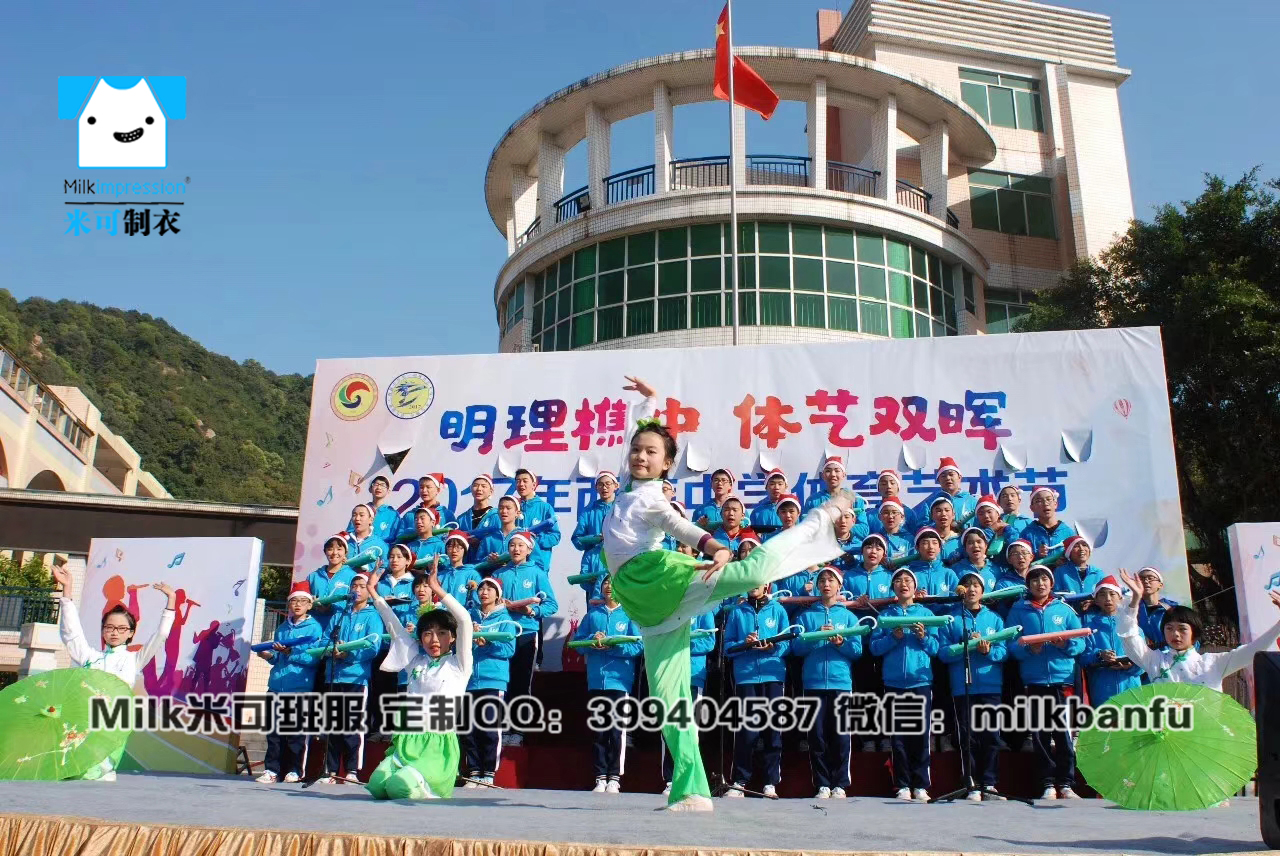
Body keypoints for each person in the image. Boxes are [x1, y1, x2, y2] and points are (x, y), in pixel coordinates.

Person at [602, 376, 849, 812]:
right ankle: (692, 790)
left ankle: (819, 519)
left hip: (659, 579)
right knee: (668, 697)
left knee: (753, 572)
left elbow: (681, 527)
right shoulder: (627, 488)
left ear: (667, 465)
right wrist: (650, 401)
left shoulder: (654, 499)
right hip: (644, 602)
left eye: (651, 453)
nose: (640, 456)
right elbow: (638, 429)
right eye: (636, 450)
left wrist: (715, 546)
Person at [52, 564, 176, 782]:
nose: (114, 633)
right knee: (75, 776)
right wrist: (67, 589)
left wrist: (171, 601)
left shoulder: (134, 659)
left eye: (121, 629)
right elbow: (71, 633)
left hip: (114, 723)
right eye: (109, 627)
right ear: (103, 631)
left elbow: (161, 635)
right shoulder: (90, 657)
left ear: (131, 633)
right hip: (84, 721)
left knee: (99, 774)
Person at [364, 561, 470, 800]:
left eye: (442, 633)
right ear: (420, 638)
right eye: (427, 633)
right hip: (408, 739)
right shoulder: (416, 661)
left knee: (399, 787)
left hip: (436, 746)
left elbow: (463, 620)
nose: (435, 639)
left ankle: (433, 787)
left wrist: (437, 589)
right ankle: (410, 778)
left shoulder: (459, 664)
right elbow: (394, 626)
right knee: (377, 785)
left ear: (453, 637)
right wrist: (373, 593)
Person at [1116, 568, 1280, 690]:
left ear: (1195, 632)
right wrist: (1135, 599)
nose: (1175, 634)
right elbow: (1129, 637)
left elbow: (1253, 651)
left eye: (1182, 629)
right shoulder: (1155, 661)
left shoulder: (1212, 663)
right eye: (1169, 628)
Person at [1008, 564, 1085, 800]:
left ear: (1051, 583)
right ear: (1028, 585)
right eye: (1034, 580)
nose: (1039, 584)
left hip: (1062, 680)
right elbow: (1010, 645)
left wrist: (1065, 645)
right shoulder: (1018, 610)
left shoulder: (1065, 610)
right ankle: (1047, 782)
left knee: (1063, 733)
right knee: (1041, 735)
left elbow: (1081, 642)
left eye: (1044, 580)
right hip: (1035, 681)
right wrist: (1029, 650)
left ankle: (1066, 782)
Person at [869, 567, 939, 801]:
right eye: (898, 580)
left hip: (920, 681)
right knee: (898, 737)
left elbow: (936, 648)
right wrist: (893, 637)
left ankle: (921, 785)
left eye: (908, 580)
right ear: (893, 588)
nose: (903, 584)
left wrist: (923, 637)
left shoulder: (927, 614)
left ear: (915, 587)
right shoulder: (886, 616)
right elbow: (874, 648)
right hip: (894, 682)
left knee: (920, 735)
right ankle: (902, 784)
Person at [792, 566, 861, 798]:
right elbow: (796, 648)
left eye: (831, 580)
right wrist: (816, 637)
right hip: (813, 683)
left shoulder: (849, 617)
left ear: (839, 586)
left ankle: (840, 783)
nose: (826, 584)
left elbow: (857, 651)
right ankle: (822, 783)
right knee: (817, 735)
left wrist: (841, 643)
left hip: (840, 683)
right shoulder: (806, 616)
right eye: (822, 581)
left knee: (841, 735)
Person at [938, 571, 1008, 801]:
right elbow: (943, 653)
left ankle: (990, 783)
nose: (971, 589)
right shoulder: (952, 619)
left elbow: (1004, 652)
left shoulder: (994, 618)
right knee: (968, 737)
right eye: (967, 585)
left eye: (976, 585)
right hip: (963, 686)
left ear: (982, 590)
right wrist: (964, 646)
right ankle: (971, 783)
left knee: (990, 736)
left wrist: (988, 652)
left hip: (990, 685)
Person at [574, 576, 643, 794]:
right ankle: (600, 776)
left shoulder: (630, 614)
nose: (608, 586)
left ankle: (614, 777)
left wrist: (614, 646)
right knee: (599, 730)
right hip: (596, 680)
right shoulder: (592, 615)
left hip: (619, 681)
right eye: (605, 583)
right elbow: (578, 644)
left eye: (613, 583)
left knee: (616, 730)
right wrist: (592, 641)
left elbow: (638, 647)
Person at [723, 582, 790, 799]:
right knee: (746, 731)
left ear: (767, 585)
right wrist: (745, 643)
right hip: (746, 676)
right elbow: (727, 646)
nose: (754, 585)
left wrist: (772, 647)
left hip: (773, 675)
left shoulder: (778, 610)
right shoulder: (737, 612)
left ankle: (770, 782)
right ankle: (740, 780)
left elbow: (788, 643)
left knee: (773, 730)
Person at [319, 571, 385, 785]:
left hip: (356, 679)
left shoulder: (373, 616)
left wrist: (349, 654)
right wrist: (332, 650)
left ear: (370, 591)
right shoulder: (339, 615)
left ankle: (351, 770)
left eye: (362, 587)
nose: (357, 590)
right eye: (354, 586)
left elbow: (373, 646)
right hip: (333, 678)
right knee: (332, 726)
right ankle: (329, 770)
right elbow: (324, 641)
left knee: (352, 726)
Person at [496, 530, 558, 747]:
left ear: (529, 549)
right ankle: (502, 727)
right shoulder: (499, 574)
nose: (516, 549)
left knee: (521, 683)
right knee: (503, 681)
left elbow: (551, 605)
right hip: (502, 635)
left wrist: (531, 611)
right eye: (512, 545)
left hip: (527, 634)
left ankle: (518, 730)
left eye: (520, 545)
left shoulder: (537, 573)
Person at [255, 583, 322, 784]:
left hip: (299, 687)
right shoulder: (282, 628)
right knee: (274, 733)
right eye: (293, 601)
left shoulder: (314, 628)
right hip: (277, 686)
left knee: (295, 734)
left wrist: (291, 652)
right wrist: (267, 655)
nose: (297, 605)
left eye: (302, 601)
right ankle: (271, 770)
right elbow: (277, 658)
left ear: (310, 605)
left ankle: (294, 770)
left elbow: (314, 659)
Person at [463, 577, 517, 787]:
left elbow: (509, 650)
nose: (484, 592)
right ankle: (473, 771)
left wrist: (488, 644)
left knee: (489, 728)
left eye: (489, 589)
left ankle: (488, 772)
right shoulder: (469, 616)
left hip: (493, 680)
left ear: (497, 595)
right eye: (481, 588)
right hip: (469, 680)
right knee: (469, 728)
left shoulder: (505, 619)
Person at [843, 533, 892, 751]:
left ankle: (886, 735)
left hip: (884, 639)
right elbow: (840, 602)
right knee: (862, 688)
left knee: (884, 686)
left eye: (878, 548)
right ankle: (867, 737)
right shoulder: (849, 576)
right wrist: (855, 603)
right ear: (862, 551)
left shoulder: (890, 577)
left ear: (884, 554)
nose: (873, 551)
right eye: (869, 547)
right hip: (858, 640)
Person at [661, 609, 717, 796]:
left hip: (693, 676)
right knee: (671, 727)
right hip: (671, 674)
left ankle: (690, 779)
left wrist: (683, 642)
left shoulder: (704, 609)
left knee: (691, 730)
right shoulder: (671, 607)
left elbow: (709, 641)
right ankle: (671, 779)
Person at [1080, 576, 1143, 705]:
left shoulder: (1132, 627)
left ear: (1120, 598)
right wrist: (1099, 655)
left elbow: (1144, 661)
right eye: (1102, 595)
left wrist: (1131, 667)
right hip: (1102, 692)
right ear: (1096, 600)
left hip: (1131, 690)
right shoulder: (1088, 629)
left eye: (1112, 594)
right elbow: (1082, 659)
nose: (1108, 599)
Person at [572, 471, 618, 604]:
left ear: (616, 486)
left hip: (618, 560)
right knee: (595, 608)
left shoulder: (622, 508)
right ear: (596, 487)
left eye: (608, 484)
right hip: (595, 563)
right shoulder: (589, 511)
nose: (604, 488)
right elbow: (577, 540)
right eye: (601, 484)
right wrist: (596, 538)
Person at [803, 456, 869, 538]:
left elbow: (864, 530)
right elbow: (805, 529)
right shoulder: (812, 500)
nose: (833, 474)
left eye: (837, 471)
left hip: (851, 545)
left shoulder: (855, 498)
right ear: (823, 475)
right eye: (828, 471)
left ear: (844, 475)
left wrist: (842, 528)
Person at [513, 468, 562, 572]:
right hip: (515, 565)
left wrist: (534, 539)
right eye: (518, 481)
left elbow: (555, 537)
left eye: (525, 481)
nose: (521, 484)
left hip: (537, 566)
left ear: (534, 485)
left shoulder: (545, 508)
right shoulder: (513, 508)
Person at [307, 536, 356, 638]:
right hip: (315, 626)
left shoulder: (352, 576)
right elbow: (304, 601)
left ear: (346, 552)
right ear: (325, 552)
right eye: (330, 549)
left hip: (339, 626)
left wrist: (331, 608)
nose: (334, 553)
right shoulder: (313, 576)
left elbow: (355, 603)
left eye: (339, 549)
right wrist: (313, 604)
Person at [912, 457, 976, 533]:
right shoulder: (930, 503)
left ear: (959, 477)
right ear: (938, 480)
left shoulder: (972, 501)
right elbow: (922, 528)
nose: (948, 478)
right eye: (943, 476)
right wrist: (943, 526)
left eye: (951, 474)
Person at [1021, 488, 1076, 560]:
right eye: (1039, 501)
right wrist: (1038, 555)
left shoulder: (1068, 533)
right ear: (1032, 508)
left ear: (1055, 504)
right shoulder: (1027, 534)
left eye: (1048, 499)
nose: (1045, 503)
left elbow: (1077, 560)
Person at [1054, 536, 1106, 610]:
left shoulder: (1098, 573)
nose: (1081, 549)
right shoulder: (1061, 572)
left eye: (1084, 545)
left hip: (1093, 615)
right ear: (1069, 552)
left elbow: (1104, 597)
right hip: (1069, 614)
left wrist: (1094, 602)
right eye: (1076, 546)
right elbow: (1056, 597)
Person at [397, 473, 457, 538]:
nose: (424, 490)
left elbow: (452, 539)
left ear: (438, 490)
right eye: (421, 487)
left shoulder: (447, 515)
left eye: (428, 487)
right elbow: (399, 538)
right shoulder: (410, 515)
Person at [1134, 566, 1181, 648]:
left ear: (1160, 585)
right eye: (1141, 578)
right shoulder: (1132, 611)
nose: (1146, 581)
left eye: (1150, 578)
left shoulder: (1172, 609)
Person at [461, 474, 501, 562]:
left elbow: (500, 540)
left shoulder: (497, 516)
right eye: (475, 485)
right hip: (466, 565)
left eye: (483, 486)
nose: (479, 489)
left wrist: (481, 543)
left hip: (488, 563)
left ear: (491, 491)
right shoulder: (462, 518)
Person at [438, 532, 482, 610]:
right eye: (450, 546)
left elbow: (477, 602)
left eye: (458, 547)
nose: (454, 551)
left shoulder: (472, 574)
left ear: (464, 549)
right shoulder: (439, 575)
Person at [349, 475, 399, 542]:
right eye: (376, 484)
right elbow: (350, 531)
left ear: (388, 491)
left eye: (383, 485)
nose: (379, 487)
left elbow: (395, 539)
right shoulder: (361, 510)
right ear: (370, 489)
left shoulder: (393, 514)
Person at [477, 495, 522, 568]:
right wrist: (488, 560)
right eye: (501, 508)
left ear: (517, 513)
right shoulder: (489, 539)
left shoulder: (523, 537)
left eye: (508, 508)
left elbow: (535, 561)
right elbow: (478, 564)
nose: (504, 511)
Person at [951, 527, 999, 593]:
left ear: (986, 545)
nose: (975, 545)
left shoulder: (996, 570)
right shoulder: (956, 570)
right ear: (965, 548)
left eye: (979, 542)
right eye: (970, 543)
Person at [873, 469, 918, 534]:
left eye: (892, 483)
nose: (888, 486)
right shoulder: (870, 515)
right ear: (878, 488)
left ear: (898, 487)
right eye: (884, 484)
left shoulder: (909, 513)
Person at [874, 497, 913, 564]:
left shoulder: (909, 539)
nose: (890, 516)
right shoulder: (874, 539)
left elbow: (915, 563)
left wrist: (901, 566)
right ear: (880, 517)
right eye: (886, 513)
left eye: (894, 512)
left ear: (902, 516)